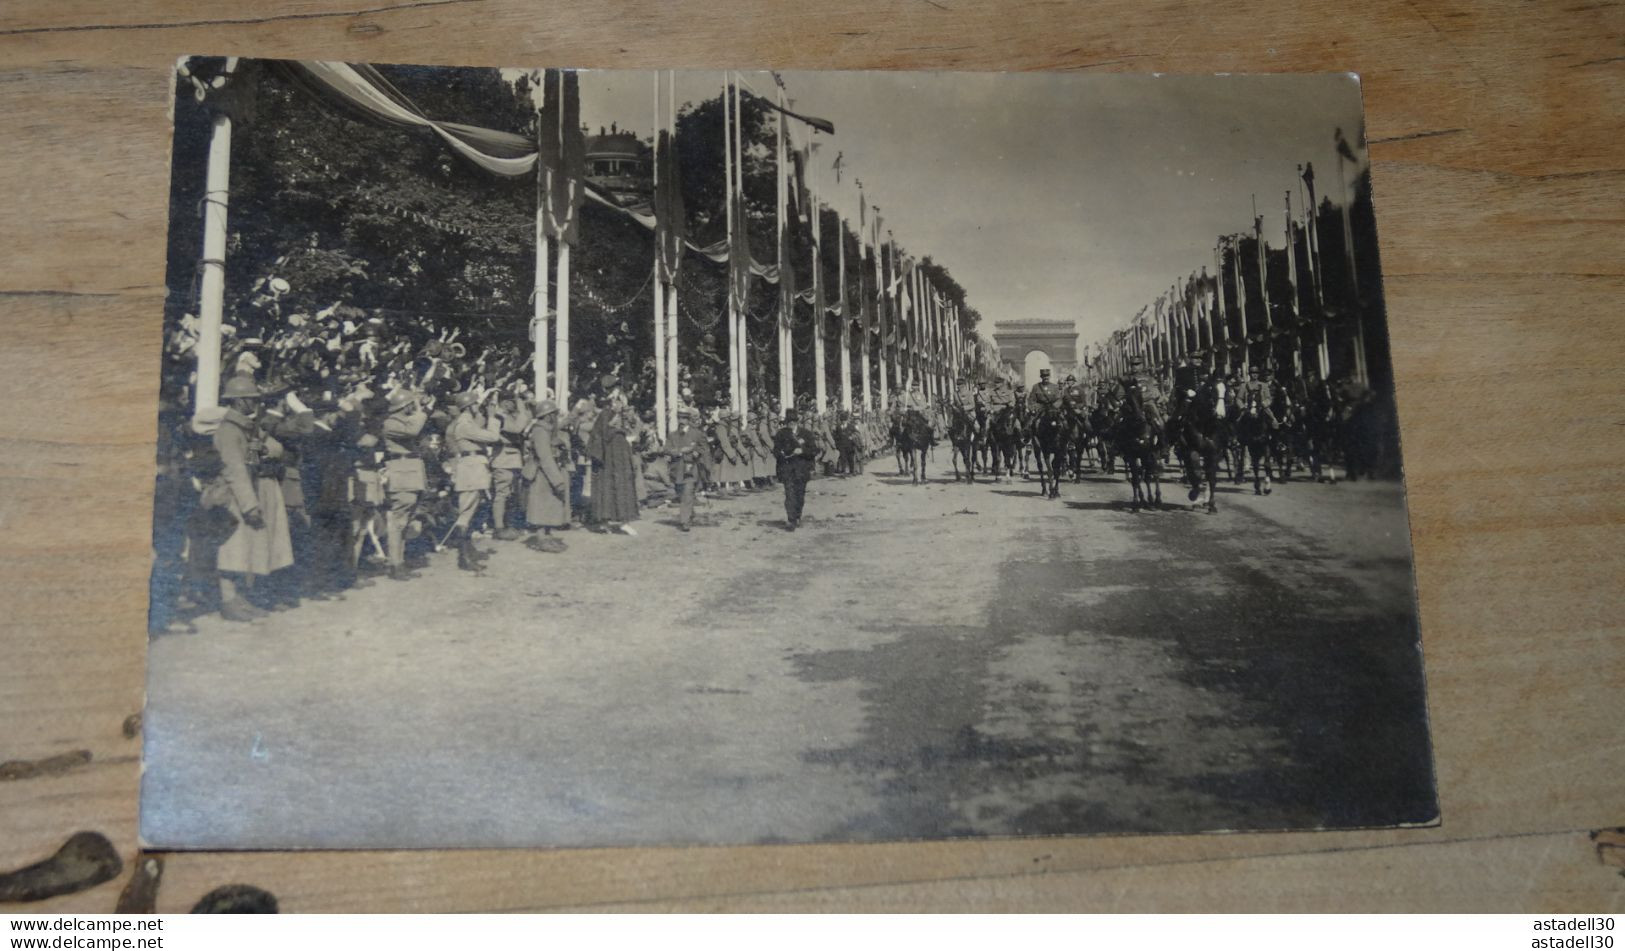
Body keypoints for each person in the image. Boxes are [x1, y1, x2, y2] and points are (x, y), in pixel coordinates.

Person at [209, 373, 295, 620]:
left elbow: (252, 461)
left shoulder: (245, 428)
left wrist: (258, 444)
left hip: (247, 490)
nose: (256, 403)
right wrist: (249, 505)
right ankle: (228, 601)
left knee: (248, 549)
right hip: (235, 496)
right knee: (232, 550)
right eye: (251, 399)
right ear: (238, 402)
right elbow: (235, 469)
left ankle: (240, 599)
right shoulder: (229, 430)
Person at [444, 389, 502, 571]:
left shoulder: (468, 421)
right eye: (475, 404)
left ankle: (466, 554)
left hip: (474, 467)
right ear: (469, 407)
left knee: (470, 512)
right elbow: (493, 436)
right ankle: (463, 557)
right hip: (470, 469)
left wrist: (488, 403)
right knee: (466, 514)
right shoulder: (464, 424)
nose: (478, 406)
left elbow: (480, 424)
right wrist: (493, 417)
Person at [381, 387, 428, 581]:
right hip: (402, 472)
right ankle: (395, 564)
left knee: (405, 519)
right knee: (398, 521)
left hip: (410, 471)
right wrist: (420, 409)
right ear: (406, 405)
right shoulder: (391, 423)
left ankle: (399, 562)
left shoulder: (402, 420)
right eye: (411, 404)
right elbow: (414, 430)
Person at [584, 374, 640, 534]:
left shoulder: (618, 413)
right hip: (611, 455)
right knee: (614, 484)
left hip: (618, 452)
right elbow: (605, 434)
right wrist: (620, 429)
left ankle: (614, 520)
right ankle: (617, 520)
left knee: (614, 484)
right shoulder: (607, 414)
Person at [522, 398, 570, 552]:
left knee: (551, 504)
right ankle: (541, 538)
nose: (556, 417)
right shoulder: (540, 430)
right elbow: (545, 457)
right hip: (542, 473)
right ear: (548, 415)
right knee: (541, 505)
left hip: (548, 470)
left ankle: (548, 536)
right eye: (554, 414)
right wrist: (557, 481)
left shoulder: (547, 429)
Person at [773, 408, 820, 531]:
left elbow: (814, 451)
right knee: (789, 495)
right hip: (787, 469)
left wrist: (802, 451)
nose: (791, 423)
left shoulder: (806, 434)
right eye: (789, 421)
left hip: (802, 470)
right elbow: (776, 451)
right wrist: (783, 454)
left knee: (800, 495)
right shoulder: (781, 434)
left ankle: (798, 515)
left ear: (797, 421)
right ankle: (791, 520)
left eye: (793, 421)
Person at [663, 406, 706, 531]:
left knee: (687, 493)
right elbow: (666, 449)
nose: (682, 421)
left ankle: (684, 521)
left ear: (689, 420)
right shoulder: (672, 435)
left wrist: (697, 452)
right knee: (681, 493)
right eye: (680, 418)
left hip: (691, 469)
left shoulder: (697, 434)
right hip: (676, 470)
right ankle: (690, 513)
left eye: (684, 418)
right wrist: (679, 452)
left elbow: (704, 448)